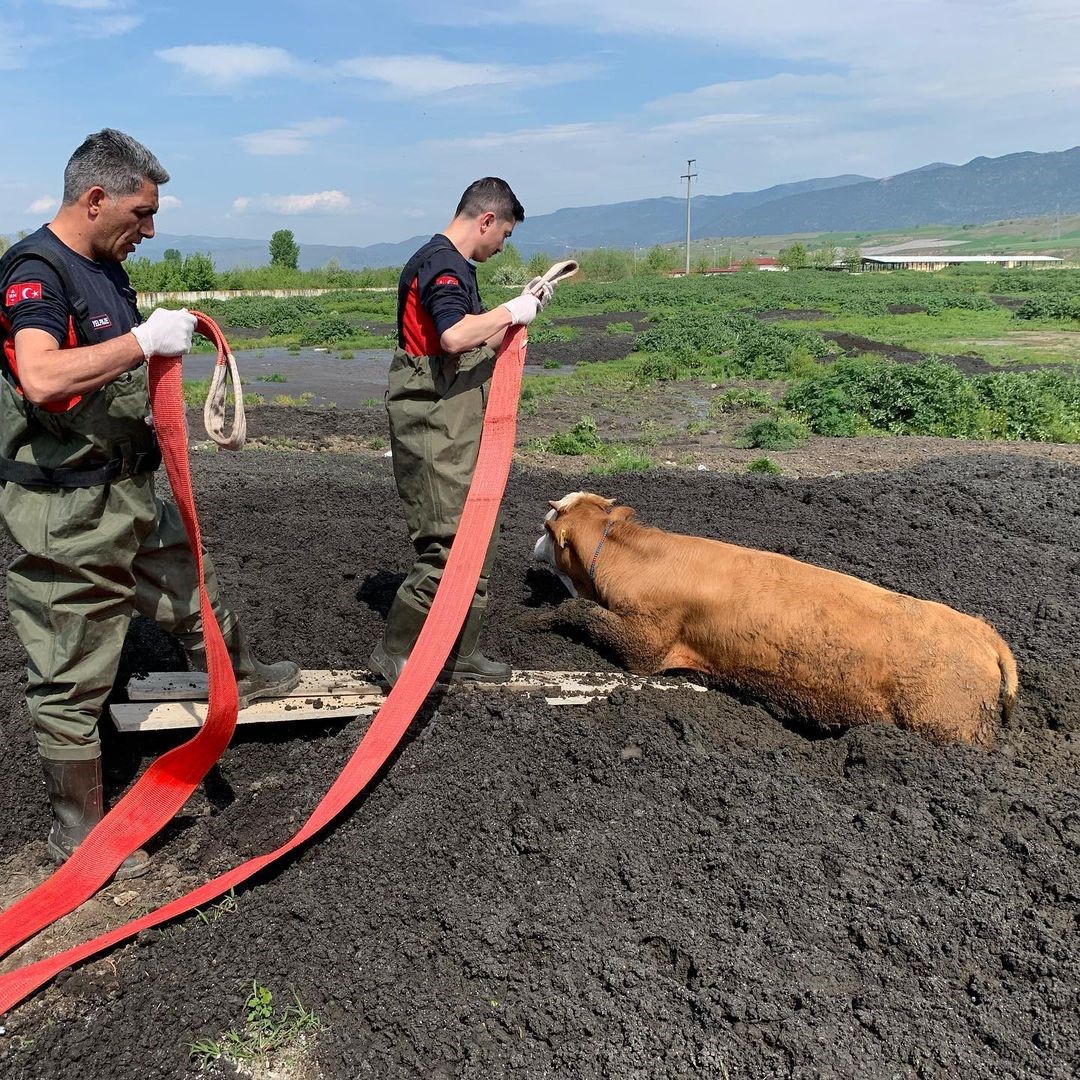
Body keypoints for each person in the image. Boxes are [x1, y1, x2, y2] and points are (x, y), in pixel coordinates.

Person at [0, 129, 300, 880]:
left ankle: (241, 674)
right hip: (69, 510)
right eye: (142, 211)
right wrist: (140, 343)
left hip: (129, 487)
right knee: (71, 669)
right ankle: (76, 836)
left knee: (192, 590)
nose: (152, 228)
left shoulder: (104, 267)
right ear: (95, 199)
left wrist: (154, 339)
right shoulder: (36, 272)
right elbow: (40, 377)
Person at [369, 177, 556, 686]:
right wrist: (509, 311)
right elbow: (453, 336)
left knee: (480, 535)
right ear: (487, 219)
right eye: (505, 235)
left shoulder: (456, 267)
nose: (502, 246)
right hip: (434, 419)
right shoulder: (441, 263)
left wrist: (522, 311)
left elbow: (472, 338)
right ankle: (396, 653)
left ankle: (460, 652)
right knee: (449, 545)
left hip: (455, 415)